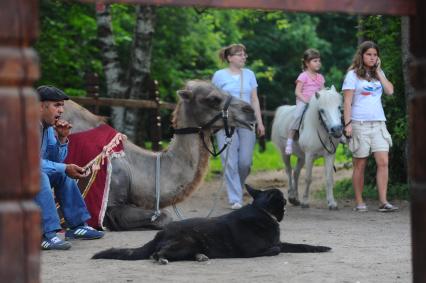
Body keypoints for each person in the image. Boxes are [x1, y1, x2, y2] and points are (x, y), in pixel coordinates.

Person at [36, 85, 104, 250]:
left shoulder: (48, 128)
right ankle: (47, 235)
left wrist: (61, 139)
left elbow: (55, 161)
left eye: (62, 106)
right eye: (56, 105)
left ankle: (77, 226)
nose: (60, 110)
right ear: (39, 106)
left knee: (63, 175)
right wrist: (64, 167)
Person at [342, 41, 398, 212]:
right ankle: (359, 202)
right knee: (360, 164)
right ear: (362, 55)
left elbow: (389, 91)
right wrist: (348, 124)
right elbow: (347, 101)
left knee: (383, 161)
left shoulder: (378, 74)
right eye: (369, 54)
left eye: (375, 55)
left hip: (379, 123)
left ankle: (383, 202)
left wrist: (379, 71)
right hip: (359, 124)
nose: (372, 58)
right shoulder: (352, 75)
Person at [212, 44, 265, 210]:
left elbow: (254, 99)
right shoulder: (219, 76)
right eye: (239, 54)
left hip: (247, 121)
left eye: (244, 54)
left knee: (245, 162)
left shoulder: (249, 74)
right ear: (229, 58)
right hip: (226, 122)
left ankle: (237, 186)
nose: (244, 57)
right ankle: (235, 198)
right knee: (230, 161)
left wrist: (260, 122)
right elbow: (213, 100)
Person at [285, 48, 325, 155]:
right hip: (304, 101)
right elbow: (297, 92)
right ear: (307, 63)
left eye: (319, 61)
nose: (318, 63)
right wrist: (305, 100)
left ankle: (335, 136)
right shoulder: (303, 76)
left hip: (317, 102)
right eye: (315, 61)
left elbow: (323, 91)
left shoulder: (320, 77)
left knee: (328, 114)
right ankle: (289, 141)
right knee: (297, 115)